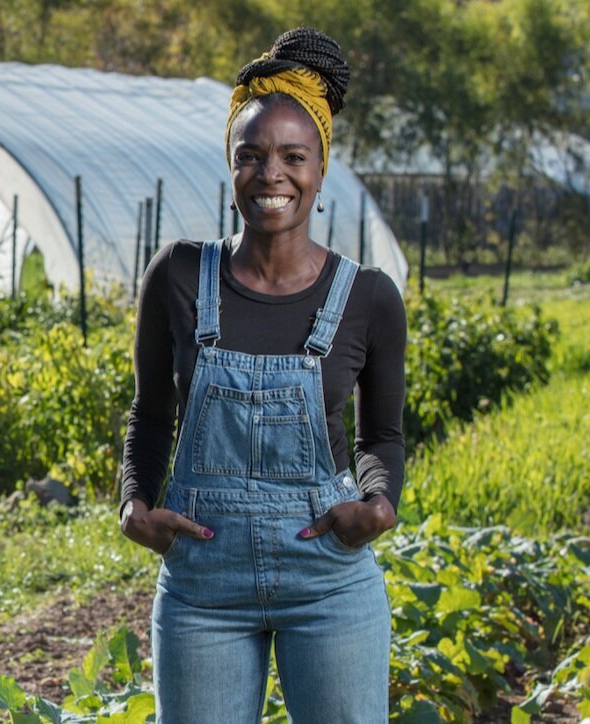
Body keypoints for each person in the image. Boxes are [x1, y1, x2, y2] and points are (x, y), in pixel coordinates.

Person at [120, 27, 407, 724]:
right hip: (202, 589)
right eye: (250, 156)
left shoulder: (367, 297)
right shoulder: (180, 276)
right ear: (231, 164)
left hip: (328, 580)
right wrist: (133, 504)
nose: (270, 174)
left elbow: (383, 437)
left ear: (319, 167)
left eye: (291, 156)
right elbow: (150, 415)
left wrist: (378, 505)